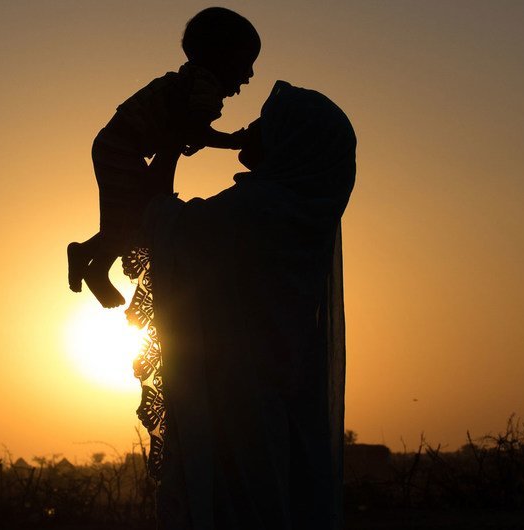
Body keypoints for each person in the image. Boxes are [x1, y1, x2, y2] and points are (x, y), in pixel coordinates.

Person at [125, 80, 356, 529]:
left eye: (266, 124)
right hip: (279, 391)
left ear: (290, 144)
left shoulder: (262, 208)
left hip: (242, 398)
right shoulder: (304, 211)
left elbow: (162, 223)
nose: (248, 128)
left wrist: (171, 145)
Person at [67, 7, 260, 308]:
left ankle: (85, 253)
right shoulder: (202, 86)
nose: (249, 76)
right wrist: (234, 141)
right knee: (129, 216)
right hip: (121, 148)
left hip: (122, 146)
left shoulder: (193, 82)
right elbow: (195, 131)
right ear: (222, 57)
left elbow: (187, 132)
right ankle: (97, 269)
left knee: (133, 214)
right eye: (245, 64)